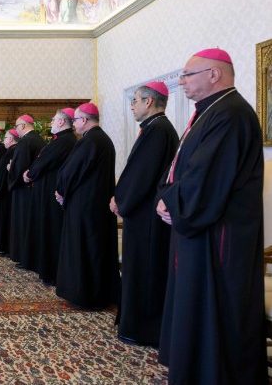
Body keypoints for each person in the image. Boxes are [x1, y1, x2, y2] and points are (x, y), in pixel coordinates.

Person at [155, 48, 266, 384]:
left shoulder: (231, 114)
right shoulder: (211, 112)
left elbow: (206, 176)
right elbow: (184, 167)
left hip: (219, 235)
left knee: (214, 309)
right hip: (200, 228)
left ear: (214, 74)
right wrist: (167, 198)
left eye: (187, 75)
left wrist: (174, 202)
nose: (181, 82)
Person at [110, 81, 178, 347]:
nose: (132, 106)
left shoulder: (158, 131)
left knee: (144, 271)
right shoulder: (155, 128)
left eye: (135, 100)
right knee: (137, 269)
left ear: (149, 101)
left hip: (147, 218)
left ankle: (142, 329)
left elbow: (142, 175)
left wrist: (121, 201)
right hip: (143, 214)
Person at [55, 103, 120, 309]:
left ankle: (84, 295)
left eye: (75, 120)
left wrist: (61, 191)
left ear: (83, 120)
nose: (73, 124)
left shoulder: (90, 141)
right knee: (96, 249)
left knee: (84, 249)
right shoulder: (103, 139)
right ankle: (99, 294)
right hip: (96, 204)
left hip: (84, 206)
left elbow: (71, 171)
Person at [23, 108, 77, 285]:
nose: (51, 123)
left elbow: (43, 162)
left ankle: (51, 272)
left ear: (61, 122)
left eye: (54, 120)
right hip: (46, 190)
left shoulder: (64, 141)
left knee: (51, 230)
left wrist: (29, 174)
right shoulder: (61, 140)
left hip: (51, 193)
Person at [7, 115, 45, 266]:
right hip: (35, 188)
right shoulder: (40, 139)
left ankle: (24, 258)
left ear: (23, 126)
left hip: (23, 190)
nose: (16, 129)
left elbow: (19, 167)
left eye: (16, 126)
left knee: (23, 224)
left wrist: (11, 171)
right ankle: (32, 257)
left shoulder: (25, 141)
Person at [0, 129, 19, 256]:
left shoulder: (13, 151)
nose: (4, 141)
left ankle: (7, 248)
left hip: (6, 192)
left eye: (6, 138)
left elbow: (4, 174)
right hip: (3, 191)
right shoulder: (10, 151)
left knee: (7, 220)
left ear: (11, 139)